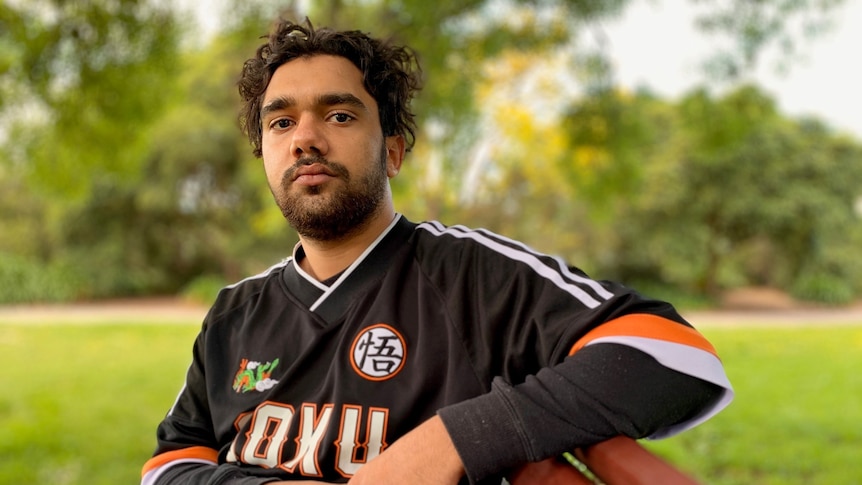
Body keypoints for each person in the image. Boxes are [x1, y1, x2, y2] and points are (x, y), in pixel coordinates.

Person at [141, 18, 733, 485]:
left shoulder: (472, 276)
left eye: (340, 114)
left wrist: (451, 440)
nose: (305, 140)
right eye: (281, 123)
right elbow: (172, 462)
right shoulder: (233, 313)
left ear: (393, 152)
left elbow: (676, 358)